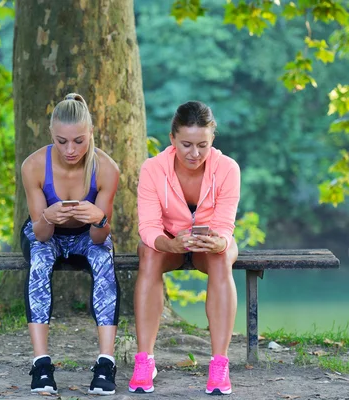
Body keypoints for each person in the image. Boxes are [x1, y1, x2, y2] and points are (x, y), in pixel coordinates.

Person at [129, 101, 240, 395]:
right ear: (172, 139)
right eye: (186, 144)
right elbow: (149, 227)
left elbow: (225, 225)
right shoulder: (153, 169)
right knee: (149, 255)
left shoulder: (228, 168)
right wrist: (171, 243)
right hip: (167, 241)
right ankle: (145, 359)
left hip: (209, 242)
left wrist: (220, 241)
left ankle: (219, 362)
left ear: (212, 140)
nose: (194, 153)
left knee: (221, 259)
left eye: (202, 145)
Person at [19, 93, 121, 395]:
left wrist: (99, 218)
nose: (70, 149)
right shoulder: (34, 165)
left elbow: (100, 237)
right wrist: (49, 217)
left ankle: (106, 363)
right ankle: (41, 364)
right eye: (62, 141)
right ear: (52, 135)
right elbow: (40, 235)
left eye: (79, 140)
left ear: (91, 132)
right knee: (39, 262)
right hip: (46, 232)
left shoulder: (106, 168)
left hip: (86, 235)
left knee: (104, 260)